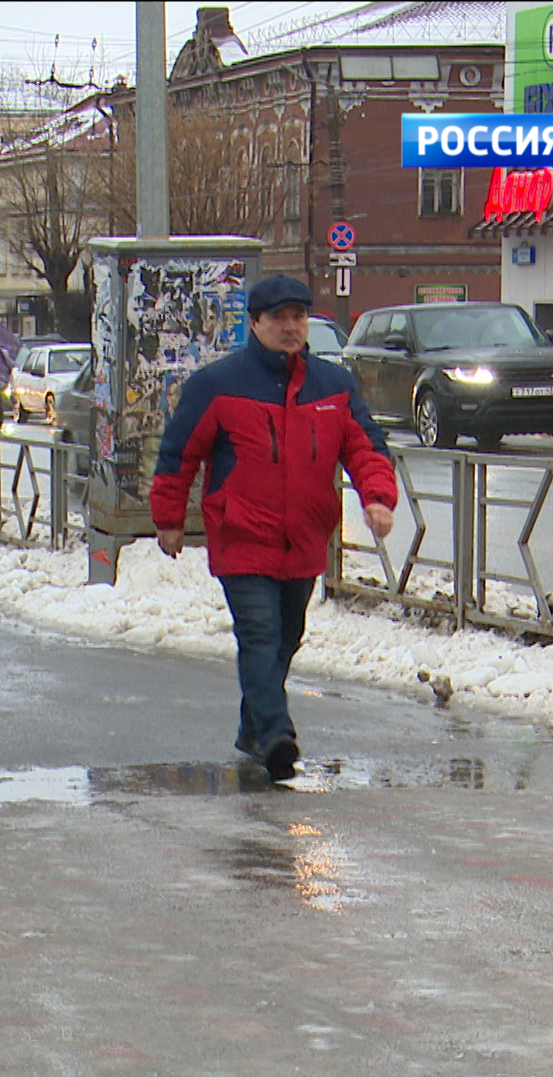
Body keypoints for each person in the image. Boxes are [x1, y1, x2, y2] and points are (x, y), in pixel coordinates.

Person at [150, 274, 398, 782]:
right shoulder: (218, 385)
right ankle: (276, 733)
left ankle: (252, 728)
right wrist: (169, 519)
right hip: (241, 534)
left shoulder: (333, 386)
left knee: (286, 638)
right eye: (279, 318)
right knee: (260, 634)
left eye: (299, 318)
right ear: (256, 322)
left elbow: (367, 448)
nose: (291, 328)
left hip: (305, 538)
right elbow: (179, 455)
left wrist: (378, 498)